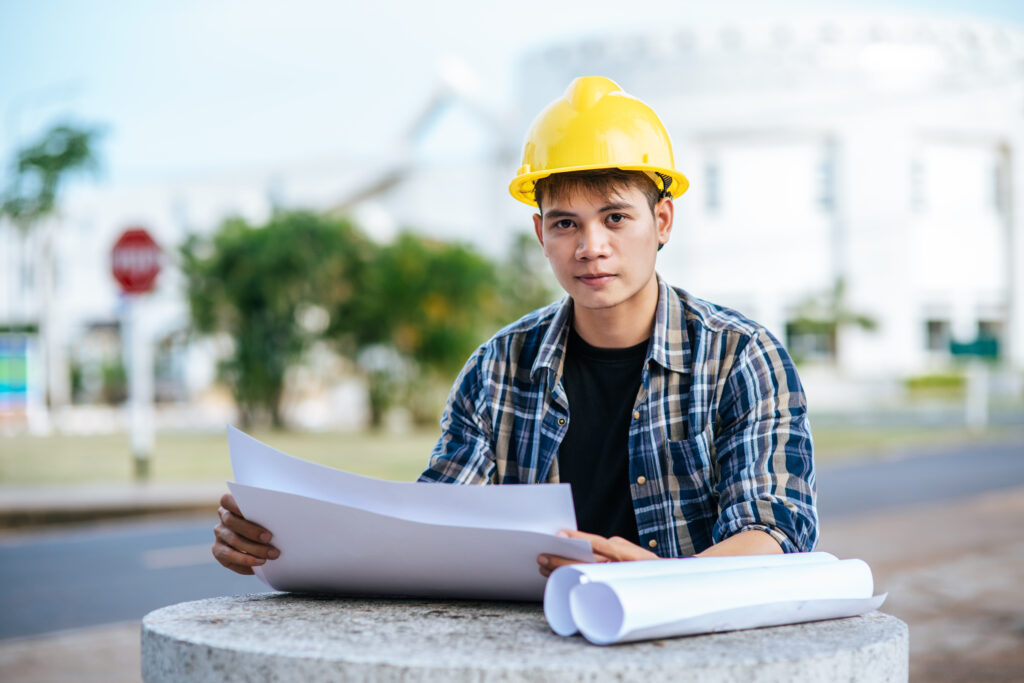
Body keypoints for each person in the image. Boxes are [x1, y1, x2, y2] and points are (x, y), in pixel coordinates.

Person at [212, 76, 818, 579]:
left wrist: (663, 582)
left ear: (662, 221)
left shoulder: (741, 357)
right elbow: (438, 524)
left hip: (689, 649)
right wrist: (284, 536)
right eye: (565, 224)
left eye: (615, 218)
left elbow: (776, 531)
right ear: (540, 233)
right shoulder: (499, 368)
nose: (591, 246)